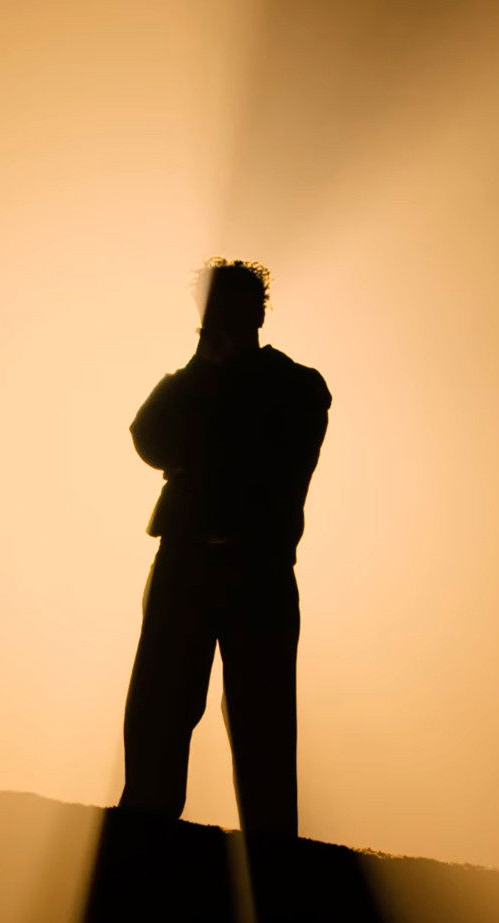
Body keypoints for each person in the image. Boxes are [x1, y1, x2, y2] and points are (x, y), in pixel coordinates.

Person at [118, 259, 331, 838]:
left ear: (256, 314)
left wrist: (211, 390)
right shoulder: (193, 381)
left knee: (262, 718)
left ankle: (270, 849)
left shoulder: (296, 386)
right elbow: (148, 438)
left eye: (228, 312)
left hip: (257, 571)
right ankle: (143, 832)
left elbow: (263, 453)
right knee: (160, 703)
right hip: (184, 562)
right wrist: (199, 368)